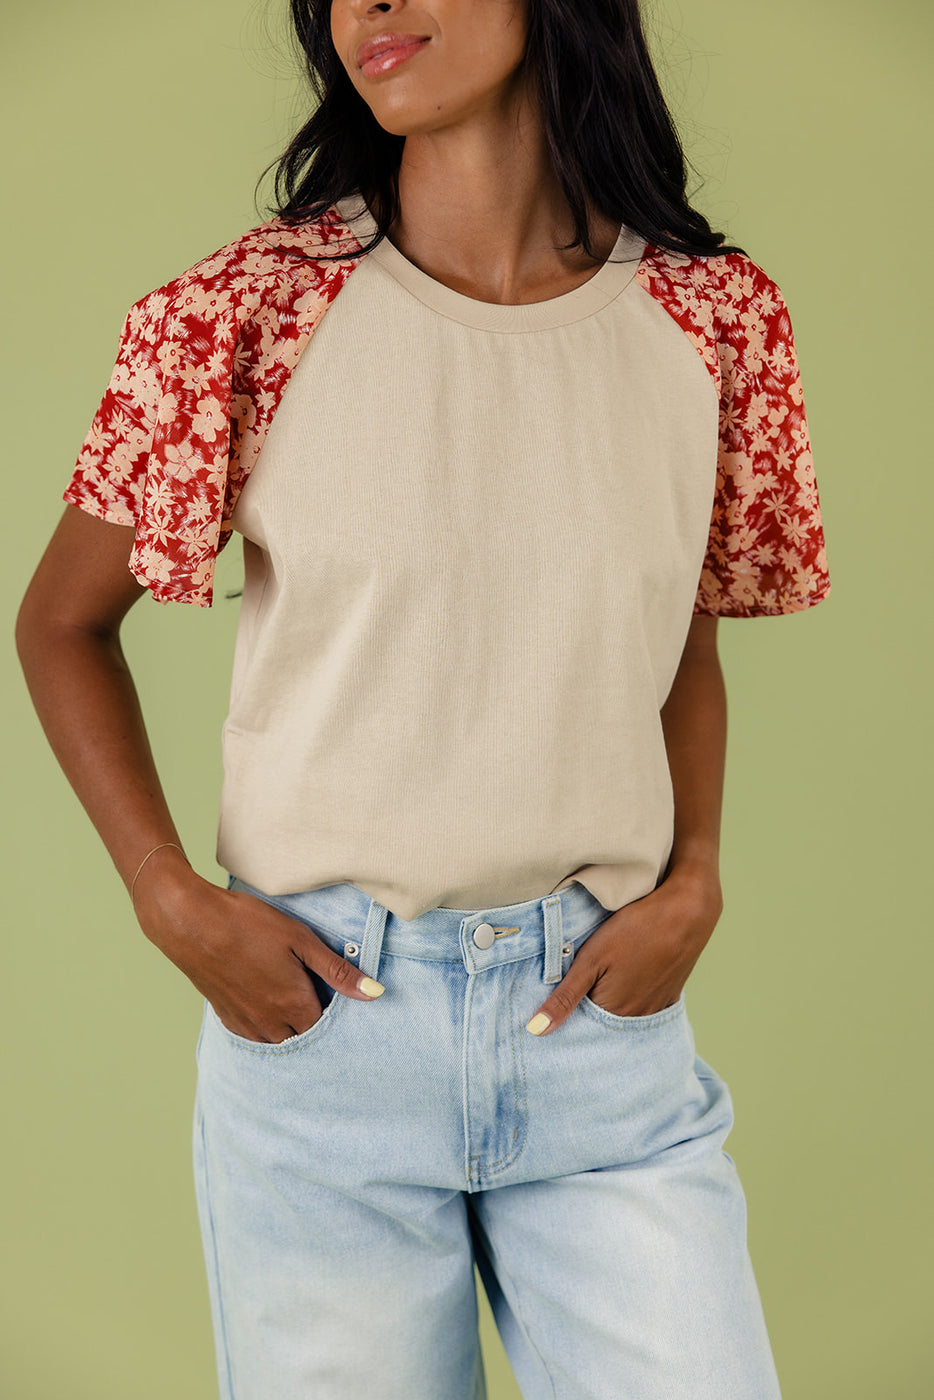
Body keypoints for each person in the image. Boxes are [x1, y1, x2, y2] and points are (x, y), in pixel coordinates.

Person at [15, 0, 831, 1396]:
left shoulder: (714, 316)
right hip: (325, 1021)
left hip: (602, 1034)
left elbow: (671, 627)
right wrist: (170, 900)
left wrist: (694, 873)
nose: (368, 7)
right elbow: (61, 623)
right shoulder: (244, 311)